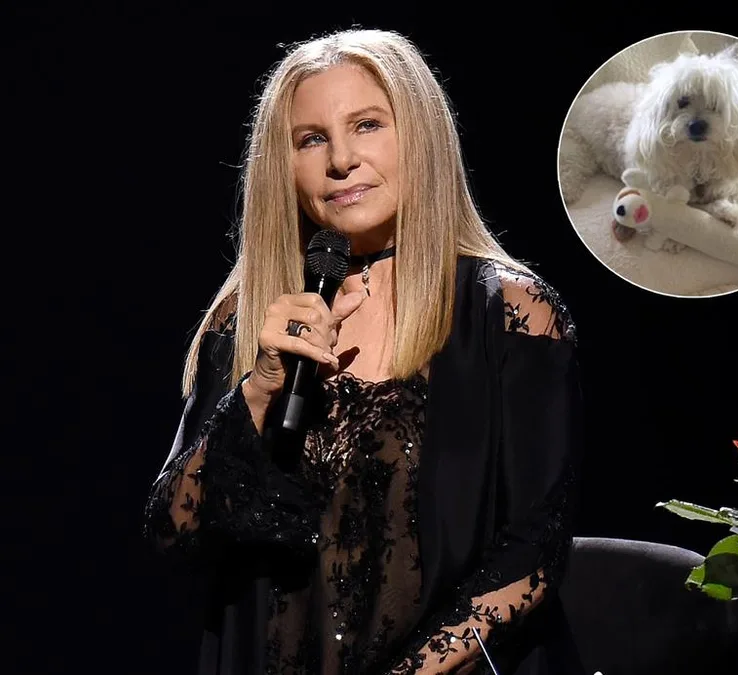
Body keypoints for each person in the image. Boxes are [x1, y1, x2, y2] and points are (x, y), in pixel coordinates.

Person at [143, 28, 585, 675]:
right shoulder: (248, 317)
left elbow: (533, 549)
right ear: (283, 165)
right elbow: (170, 531)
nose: (341, 160)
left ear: (420, 136)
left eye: (368, 124)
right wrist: (260, 387)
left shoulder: (512, 315)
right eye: (311, 139)